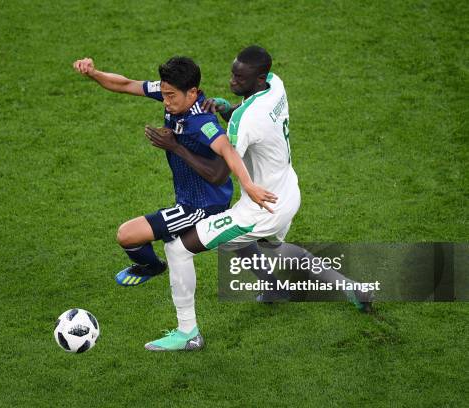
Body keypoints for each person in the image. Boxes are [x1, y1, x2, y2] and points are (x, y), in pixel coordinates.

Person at [143, 46, 373, 352]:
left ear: (259, 76)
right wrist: (227, 109)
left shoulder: (244, 120)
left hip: (261, 207)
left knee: (178, 248)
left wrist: (175, 146)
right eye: (233, 73)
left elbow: (219, 174)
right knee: (264, 246)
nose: (232, 81)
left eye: (240, 77)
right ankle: (344, 287)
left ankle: (189, 333)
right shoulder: (276, 85)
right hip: (287, 191)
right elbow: (253, 116)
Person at [72, 56, 276, 287]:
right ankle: (275, 287)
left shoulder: (202, 122)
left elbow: (226, 154)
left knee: (127, 235)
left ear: (192, 92)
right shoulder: (173, 92)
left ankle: (152, 266)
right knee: (236, 240)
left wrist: (175, 147)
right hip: (198, 198)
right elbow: (127, 84)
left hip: (200, 206)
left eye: (171, 96)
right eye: (164, 94)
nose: (166, 101)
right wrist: (94, 73)